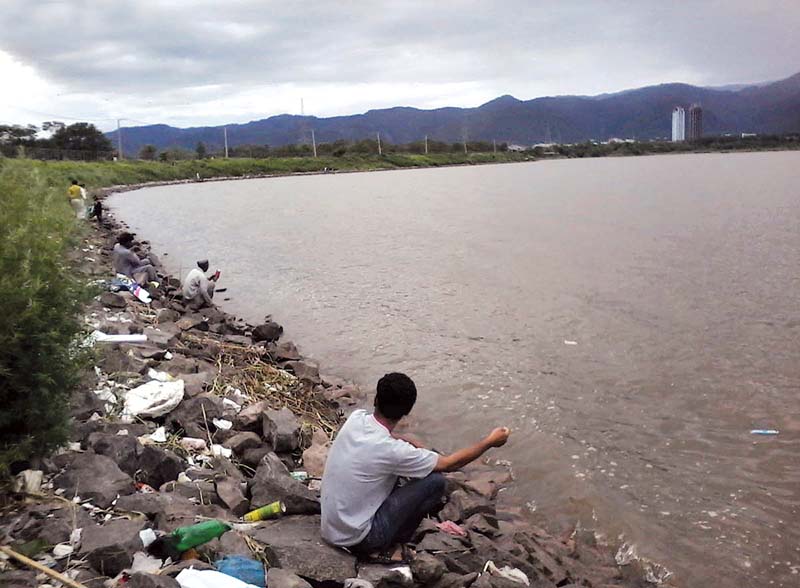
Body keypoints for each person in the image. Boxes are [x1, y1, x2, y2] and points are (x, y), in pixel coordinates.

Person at [321, 372, 511, 559]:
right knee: (435, 482)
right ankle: (393, 544)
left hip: (331, 527)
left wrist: (409, 442)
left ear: (376, 399)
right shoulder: (392, 451)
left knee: (397, 472)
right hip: (360, 539)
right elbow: (450, 464)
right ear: (406, 412)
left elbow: (385, 439)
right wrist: (490, 442)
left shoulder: (356, 418)